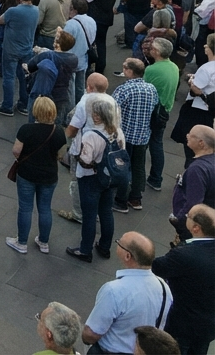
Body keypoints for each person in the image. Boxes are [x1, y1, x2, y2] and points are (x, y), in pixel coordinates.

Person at [82, 231, 173, 354]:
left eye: (119, 243)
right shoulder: (164, 287)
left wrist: (86, 338)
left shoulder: (114, 290)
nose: (117, 244)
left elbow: (91, 334)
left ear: (127, 256)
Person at [68, 93, 125, 262]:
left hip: (91, 179)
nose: (93, 116)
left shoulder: (91, 135)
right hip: (111, 177)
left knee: (90, 215)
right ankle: (105, 247)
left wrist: (77, 155)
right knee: (106, 211)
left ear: (100, 116)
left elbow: (85, 161)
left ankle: (85, 250)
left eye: (95, 114)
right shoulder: (118, 132)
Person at [7, 97, 67, 255]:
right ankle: (44, 242)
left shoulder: (26, 129)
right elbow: (62, 155)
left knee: (25, 208)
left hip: (27, 174)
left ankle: (21, 242)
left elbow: (16, 150)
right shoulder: (59, 131)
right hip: (49, 175)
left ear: (36, 112)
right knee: (45, 208)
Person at [152, 203, 215, 354]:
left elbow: (157, 267)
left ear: (196, 228)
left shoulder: (184, 254)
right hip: (207, 327)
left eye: (188, 216)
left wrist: (177, 247)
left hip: (181, 326)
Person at [114, 57, 159, 212]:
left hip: (125, 136)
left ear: (130, 71)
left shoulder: (124, 90)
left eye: (124, 67)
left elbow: (112, 110)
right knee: (139, 167)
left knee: (122, 168)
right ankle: (135, 199)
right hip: (143, 135)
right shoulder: (151, 89)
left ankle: (120, 199)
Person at [0, 0, 38, 115]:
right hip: (27, 49)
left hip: (11, 49)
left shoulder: (13, 11)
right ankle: (23, 105)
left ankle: (7, 105)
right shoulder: (36, 10)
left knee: (9, 77)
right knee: (24, 77)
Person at [145, 39, 180, 193]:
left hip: (153, 112)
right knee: (157, 144)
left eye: (152, 48)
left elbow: (143, 88)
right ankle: (156, 178)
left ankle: (137, 177)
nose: (149, 49)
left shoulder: (152, 70)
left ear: (157, 52)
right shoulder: (174, 66)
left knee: (145, 145)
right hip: (165, 110)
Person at [169, 126, 215, 241]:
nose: (187, 135)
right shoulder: (210, 161)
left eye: (191, 134)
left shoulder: (197, 169)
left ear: (201, 143)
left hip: (192, 230)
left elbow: (193, 205)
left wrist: (178, 222)